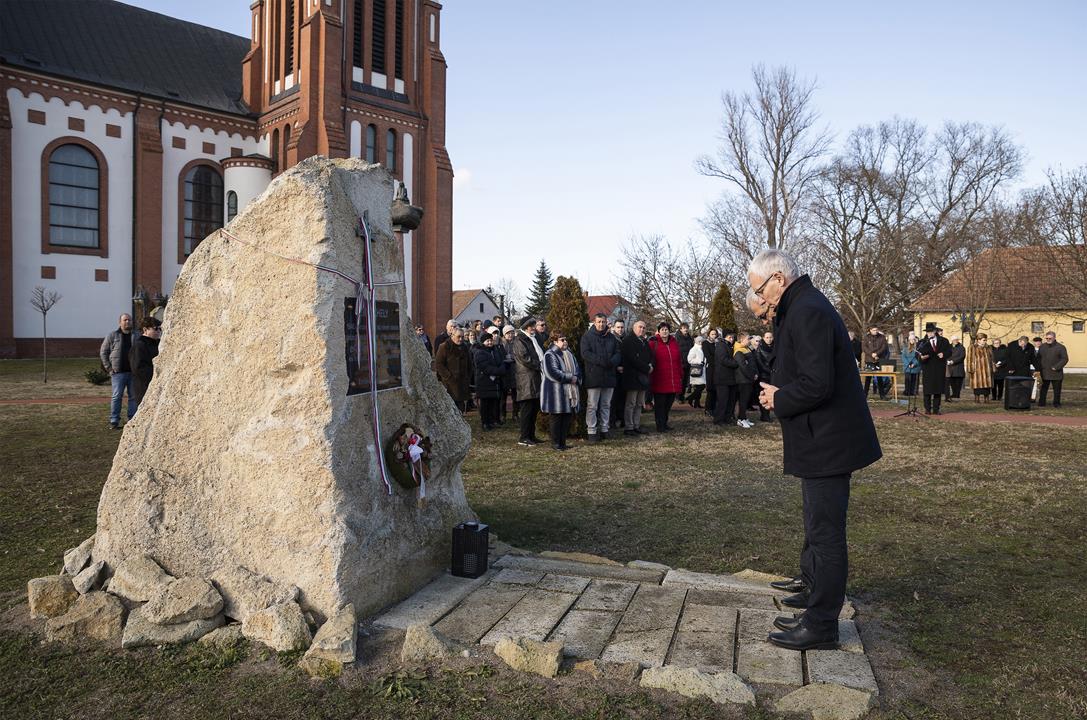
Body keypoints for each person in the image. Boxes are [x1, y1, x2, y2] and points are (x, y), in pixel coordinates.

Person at [748, 249, 882, 652]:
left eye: (760, 291)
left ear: (777, 279)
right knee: (817, 525)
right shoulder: (802, 305)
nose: (763, 302)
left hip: (828, 442)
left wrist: (779, 399)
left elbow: (817, 383)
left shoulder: (807, 309)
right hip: (820, 440)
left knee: (826, 535)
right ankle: (814, 601)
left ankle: (822, 623)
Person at [580, 312, 622, 442]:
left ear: (606, 323)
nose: (601, 324)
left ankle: (605, 429)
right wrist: (601, 361)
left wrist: (612, 362)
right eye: (599, 322)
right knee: (592, 405)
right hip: (594, 375)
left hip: (609, 375)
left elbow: (618, 353)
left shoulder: (611, 338)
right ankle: (592, 431)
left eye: (603, 322)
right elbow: (585, 354)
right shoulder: (587, 336)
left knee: (606, 404)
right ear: (594, 322)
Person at [540, 332, 582, 450]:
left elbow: (577, 369)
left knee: (566, 417)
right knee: (556, 418)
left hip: (569, 392)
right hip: (555, 392)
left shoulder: (569, 354)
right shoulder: (550, 355)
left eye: (565, 339)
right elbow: (552, 372)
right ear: (554, 342)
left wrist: (577, 378)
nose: (565, 342)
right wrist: (570, 378)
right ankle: (555, 443)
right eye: (562, 340)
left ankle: (562, 442)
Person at [99, 313, 136, 429]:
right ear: (120, 322)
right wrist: (109, 368)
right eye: (125, 320)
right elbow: (103, 352)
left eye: (129, 320)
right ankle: (114, 420)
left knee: (133, 397)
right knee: (116, 397)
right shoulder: (112, 336)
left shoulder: (137, 335)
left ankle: (132, 420)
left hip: (133, 373)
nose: (128, 322)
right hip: (118, 373)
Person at [513, 317, 545, 446]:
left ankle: (531, 435)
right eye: (532, 326)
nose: (534, 328)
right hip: (526, 379)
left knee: (533, 408)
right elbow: (525, 358)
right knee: (527, 409)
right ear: (527, 327)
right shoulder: (520, 340)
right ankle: (524, 436)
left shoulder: (532, 339)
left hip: (535, 377)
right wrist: (540, 365)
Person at [620, 320, 653, 436]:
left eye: (644, 328)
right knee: (631, 403)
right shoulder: (628, 341)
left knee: (640, 403)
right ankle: (629, 427)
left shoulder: (644, 341)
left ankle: (636, 425)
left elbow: (650, 355)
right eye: (640, 327)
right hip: (632, 377)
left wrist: (650, 365)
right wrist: (646, 368)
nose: (642, 330)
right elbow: (632, 359)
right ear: (634, 328)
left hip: (642, 377)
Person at [648, 322, 682, 432]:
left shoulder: (674, 343)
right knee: (660, 405)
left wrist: (680, 374)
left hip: (673, 379)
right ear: (658, 331)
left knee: (668, 404)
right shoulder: (653, 343)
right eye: (662, 329)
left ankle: (665, 423)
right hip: (659, 379)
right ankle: (660, 425)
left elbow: (678, 360)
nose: (664, 331)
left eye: (666, 329)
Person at [432, 327, 470, 412]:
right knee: (450, 408)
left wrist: (467, 376)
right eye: (459, 337)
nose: (461, 339)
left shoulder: (464, 347)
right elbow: (439, 364)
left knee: (460, 407)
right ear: (452, 336)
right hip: (449, 383)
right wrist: (448, 377)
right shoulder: (444, 346)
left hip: (462, 382)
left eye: (462, 337)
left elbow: (469, 363)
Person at [917, 322, 952, 415]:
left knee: (938, 389)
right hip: (927, 368)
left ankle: (936, 409)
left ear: (935, 331)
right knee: (927, 390)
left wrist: (944, 354)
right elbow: (918, 354)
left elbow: (949, 351)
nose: (929, 334)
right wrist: (921, 358)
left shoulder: (944, 341)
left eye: (931, 332)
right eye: (928, 332)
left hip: (939, 368)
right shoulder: (922, 342)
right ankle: (927, 409)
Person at [473, 331, 505, 430]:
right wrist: (499, 371)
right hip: (484, 382)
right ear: (483, 342)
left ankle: (492, 421)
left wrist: (502, 368)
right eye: (487, 341)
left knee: (493, 403)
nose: (490, 343)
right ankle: (485, 423)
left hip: (494, 381)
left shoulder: (495, 350)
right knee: (485, 404)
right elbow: (485, 367)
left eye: (491, 340)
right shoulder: (479, 352)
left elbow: (501, 361)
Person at [129, 316, 161, 411]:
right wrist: (157, 375)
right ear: (145, 329)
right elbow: (138, 368)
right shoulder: (140, 345)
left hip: (156, 386)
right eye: (155, 328)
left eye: (160, 328)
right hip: (144, 387)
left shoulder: (158, 344)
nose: (158, 331)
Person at [712, 331, 739, 426]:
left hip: (730, 378)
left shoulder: (730, 346)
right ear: (724, 337)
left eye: (732, 337)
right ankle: (718, 419)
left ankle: (727, 418)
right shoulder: (720, 345)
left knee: (731, 400)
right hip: (722, 378)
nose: (731, 339)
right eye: (729, 338)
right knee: (722, 400)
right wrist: (736, 363)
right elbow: (723, 359)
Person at [1036, 331, 1068, 407]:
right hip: (1044, 372)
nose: (1048, 339)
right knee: (1043, 389)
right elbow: (1038, 358)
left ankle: (1056, 403)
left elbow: (1064, 359)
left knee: (1057, 390)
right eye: (1046, 338)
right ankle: (1041, 403)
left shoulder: (1061, 347)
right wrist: (1038, 368)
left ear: (1054, 338)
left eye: (1050, 338)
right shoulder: (1042, 347)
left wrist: (1056, 367)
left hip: (1056, 373)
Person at [733, 333, 756, 428]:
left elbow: (750, 363)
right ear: (741, 340)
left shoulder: (746, 349)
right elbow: (743, 367)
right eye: (747, 339)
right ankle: (741, 419)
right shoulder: (738, 351)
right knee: (743, 400)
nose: (749, 340)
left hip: (748, 379)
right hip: (743, 380)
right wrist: (751, 376)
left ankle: (744, 417)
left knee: (746, 400)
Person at [861, 327, 889, 400]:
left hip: (879, 359)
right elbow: (864, 347)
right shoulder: (866, 337)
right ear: (870, 330)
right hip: (869, 360)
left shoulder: (882, 337)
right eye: (873, 330)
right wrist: (871, 354)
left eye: (876, 330)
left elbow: (884, 347)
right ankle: (864, 395)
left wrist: (876, 354)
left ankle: (882, 395)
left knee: (880, 378)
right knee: (868, 378)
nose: (875, 331)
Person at [609, 320, 627, 430]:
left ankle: (622, 419)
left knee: (623, 398)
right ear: (614, 328)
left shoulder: (626, 340)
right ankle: (613, 421)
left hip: (625, 373)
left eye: (622, 327)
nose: (620, 329)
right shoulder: (611, 339)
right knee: (613, 399)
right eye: (618, 327)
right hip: (614, 372)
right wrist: (616, 367)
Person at [966, 334, 994, 403]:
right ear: (978, 340)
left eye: (986, 340)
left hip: (987, 369)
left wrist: (993, 367)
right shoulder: (972, 347)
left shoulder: (988, 347)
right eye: (983, 340)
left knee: (987, 385)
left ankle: (986, 399)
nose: (985, 341)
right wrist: (970, 368)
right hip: (977, 369)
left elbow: (992, 358)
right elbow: (969, 358)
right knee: (977, 385)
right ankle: (977, 399)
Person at [500, 325, 517, 422]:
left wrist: (513, 357)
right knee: (504, 396)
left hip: (514, 371)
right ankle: (503, 415)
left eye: (512, 332)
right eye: (508, 333)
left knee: (515, 396)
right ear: (504, 334)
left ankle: (515, 414)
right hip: (505, 372)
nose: (510, 335)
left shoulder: (517, 343)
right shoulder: (501, 343)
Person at [686, 335, 707, 408]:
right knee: (699, 387)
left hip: (702, 370)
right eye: (701, 341)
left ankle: (696, 404)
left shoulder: (702, 349)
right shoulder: (694, 349)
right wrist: (699, 361)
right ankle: (690, 398)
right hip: (697, 370)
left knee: (700, 387)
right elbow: (689, 359)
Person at [676, 322, 694, 402]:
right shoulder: (677, 337)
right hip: (680, 362)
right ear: (681, 329)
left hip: (688, 362)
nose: (686, 329)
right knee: (680, 380)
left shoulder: (690, 338)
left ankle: (682, 395)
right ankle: (678, 396)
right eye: (684, 328)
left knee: (685, 381)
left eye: (687, 328)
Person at [703, 328, 719, 416]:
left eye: (715, 334)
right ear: (709, 334)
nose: (714, 336)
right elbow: (707, 355)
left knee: (716, 389)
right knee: (710, 389)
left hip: (718, 368)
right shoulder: (705, 343)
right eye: (712, 334)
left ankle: (714, 407)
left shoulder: (717, 343)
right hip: (711, 367)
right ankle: (708, 408)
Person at [945, 336, 966, 401]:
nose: (955, 341)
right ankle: (954, 394)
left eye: (957, 339)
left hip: (958, 367)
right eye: (954, 340)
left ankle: (957, 394)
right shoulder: (948, 346)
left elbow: (962, 356)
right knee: (952, 382)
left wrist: (953, 361)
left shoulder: (961, 347)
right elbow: (946, 354)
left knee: (958, 382)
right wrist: (947, 360)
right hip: (950, 367)